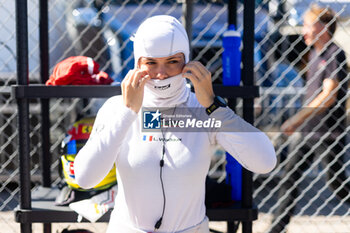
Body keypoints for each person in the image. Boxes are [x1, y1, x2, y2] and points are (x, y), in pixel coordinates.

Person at [74, 15, 276, 233]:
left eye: (172, 62)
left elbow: (265, 162)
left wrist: (214, 106)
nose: (161, 74)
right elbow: (85, 178)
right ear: (137, 63)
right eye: (151, 63)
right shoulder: (117, 108)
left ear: (187, 61)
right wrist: (127, 113)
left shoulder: (204, 109)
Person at [269, 4, 349, 233]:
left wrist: (295, 119)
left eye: (307, 25)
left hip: (327, 132)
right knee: (289, 178)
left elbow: (328, 95)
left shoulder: (334, 54)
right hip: (307, 130)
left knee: (337, 185)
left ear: (322, 28)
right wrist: (301, 122)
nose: (303, 30)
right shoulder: (313, 53)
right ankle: (276, 228)